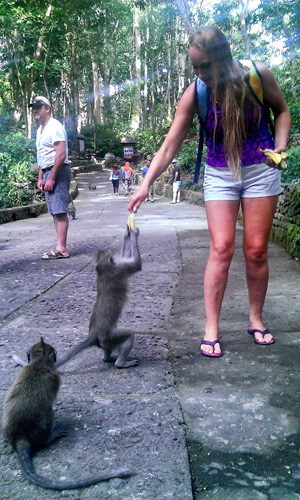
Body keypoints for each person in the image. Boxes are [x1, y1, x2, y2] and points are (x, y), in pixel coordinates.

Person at [128, 26, 291, 357]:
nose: (200, 74)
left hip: (261, 167)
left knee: (257, 249)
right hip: (219, 171)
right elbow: (170, 145)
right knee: (221, 248)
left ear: (223, 59)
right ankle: (211, 327)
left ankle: (256, 319)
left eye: (205, 66)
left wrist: (281, 148)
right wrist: (145, 184)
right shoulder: (196, 93)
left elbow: (282, 111)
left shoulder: (256, 76)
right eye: (195, 67)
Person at [29, 95, 71, 260]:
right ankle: (59, 245)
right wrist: (41, 177)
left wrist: (52, 178)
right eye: (33, 108)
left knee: (60, 210)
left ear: (47, 108)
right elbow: (43, 156)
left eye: (38, 107)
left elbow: (60, 155)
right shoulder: (40, 130)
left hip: (58, 171)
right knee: (54, 211)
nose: (35, 110)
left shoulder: (55, 126)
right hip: (47, 171)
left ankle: (62, 248)